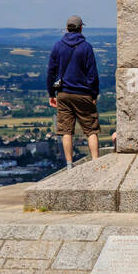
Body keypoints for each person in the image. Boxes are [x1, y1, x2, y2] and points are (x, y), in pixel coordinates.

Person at [46, 14, 100, 167]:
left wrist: (52, 94)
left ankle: (69, 164)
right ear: (81, 28)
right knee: (91, 130)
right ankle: (95, 163)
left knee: (66, 131)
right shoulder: (86, 47)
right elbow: (92, 74)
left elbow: (51, 72)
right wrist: (94, 94)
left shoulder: (58, 46)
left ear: (67, 28)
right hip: (84, 94)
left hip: (63, 93)